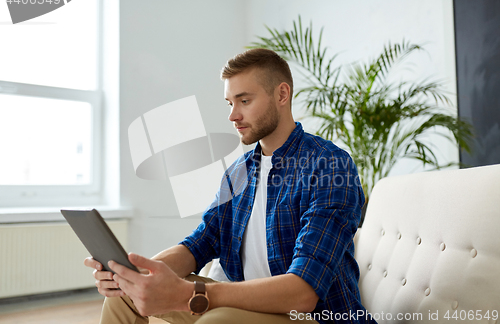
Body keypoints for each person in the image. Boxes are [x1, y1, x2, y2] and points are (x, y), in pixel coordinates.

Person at [84, 48, 376, 324]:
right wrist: (139, 275)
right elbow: (200, 243)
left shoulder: (329, 165)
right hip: (250, 307)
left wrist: (195, 294)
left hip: (312, 316)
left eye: (244, 101)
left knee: (217, 319)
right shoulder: (239, 172)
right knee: (124, 299)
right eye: (230, 103)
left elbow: (304, 292)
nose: (233, 115)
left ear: (282, 94)